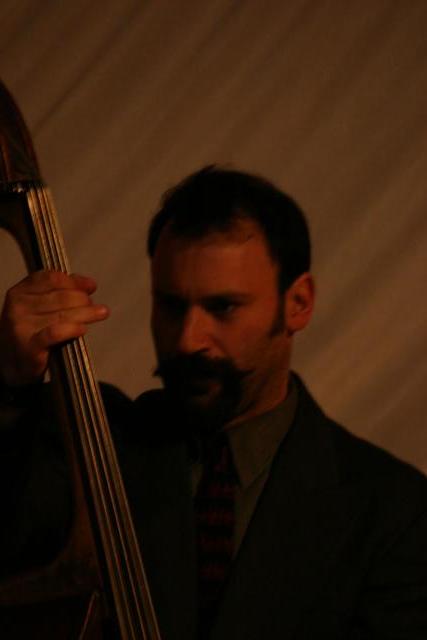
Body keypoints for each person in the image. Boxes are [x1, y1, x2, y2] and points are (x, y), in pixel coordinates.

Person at [0, 166, 426, 639]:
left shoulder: (394, 511)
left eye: (223, 307)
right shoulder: (87, 440)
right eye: (171, 305)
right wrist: (11, 381)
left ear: (298, 303)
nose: (188, 340)